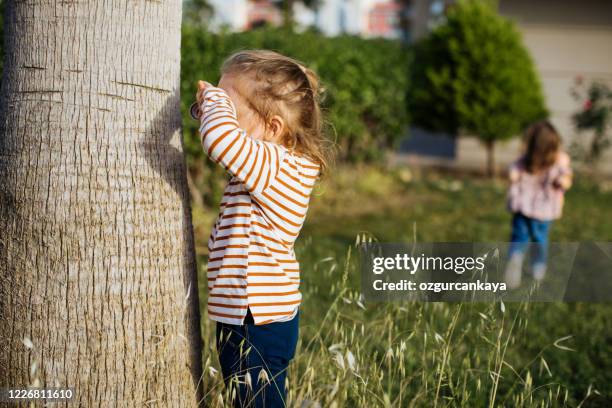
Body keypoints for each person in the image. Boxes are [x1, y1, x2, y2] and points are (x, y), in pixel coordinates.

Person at [193, 50, 331, 407]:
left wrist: (212, 98)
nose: (216, 113)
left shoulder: (274, 163)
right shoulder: (272, 162)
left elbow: (219, 141)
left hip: (255, 317)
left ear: (272, 128)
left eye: (229, 108)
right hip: (252, 315)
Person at [504, 121, 573, 289]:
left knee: (528, 239)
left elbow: (567, 177)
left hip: (533, 209)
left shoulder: (548, 161)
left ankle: (526, 261)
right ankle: (529, 265)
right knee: (533, 239)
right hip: (534, 209)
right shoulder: (534, 160)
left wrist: (562, 182)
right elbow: (514, 169)